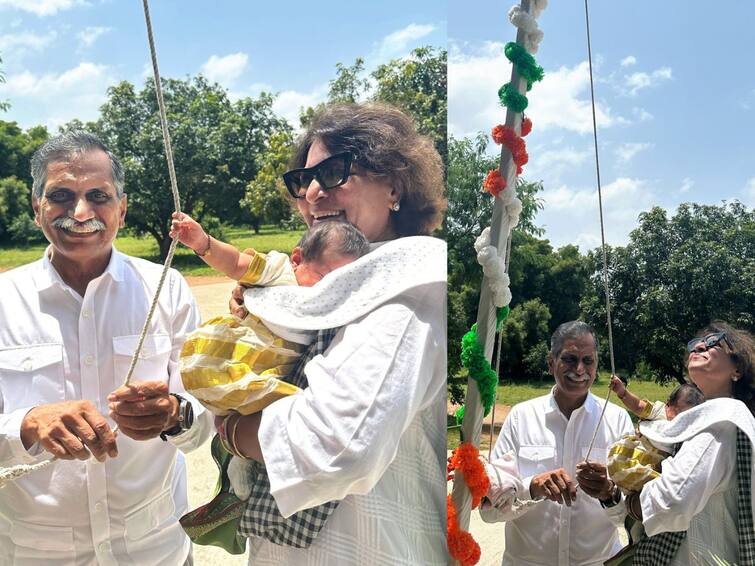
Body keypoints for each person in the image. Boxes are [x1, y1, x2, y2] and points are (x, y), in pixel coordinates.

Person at [225, 102, 447, 565]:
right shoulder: (330, 287)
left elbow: (338, 448)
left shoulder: (407, 295)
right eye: (303, 181)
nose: (311, 193)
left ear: (394, 185)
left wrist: (230, 430)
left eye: (333, 173)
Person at [0, 131, 212, 565]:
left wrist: (176, 413)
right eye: (61, 195)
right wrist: (26, 424)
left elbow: (208, 409)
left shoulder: (166, 288)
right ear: (36, 207)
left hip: (155, 551)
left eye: (98, 195)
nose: (81, 213)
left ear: (122, 208)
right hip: (37, 556)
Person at [170, 217, 370, 418]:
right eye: (322, 277)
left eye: (340, 284)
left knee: (260, 399)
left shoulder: (338, 302)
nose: (329, 290)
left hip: (274, 370)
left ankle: (294, 406)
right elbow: (236, 263)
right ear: (297, 260)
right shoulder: (280, 272)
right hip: (240, 351)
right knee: (209, 376)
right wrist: (203, 243)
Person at [481, 320, 634, 566]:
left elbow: (631, 515)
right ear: (551, 363)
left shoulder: (616, 420)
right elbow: (489, 511)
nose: (580, 369)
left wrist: (608, 493)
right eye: (570, 359)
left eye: (588, 360)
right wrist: (532, 487)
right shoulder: (521, 417)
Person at [625, 322, 755, 565]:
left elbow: (673, 500)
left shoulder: (721, 418)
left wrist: (629, 502)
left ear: (737, 369)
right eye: (695, 344)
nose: (700, 346)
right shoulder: (712, 418)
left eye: (715, 341)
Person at [606, 382, 705, 493]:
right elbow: (637, 405)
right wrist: (623, 392)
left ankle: (655, 488)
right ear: (667, 404)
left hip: (655, 466)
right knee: (618, 464)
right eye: (677, 413)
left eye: (687, 419)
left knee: (655, 481)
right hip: (636, 453)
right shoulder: (658, 411)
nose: (680, 421)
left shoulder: (688, 432)